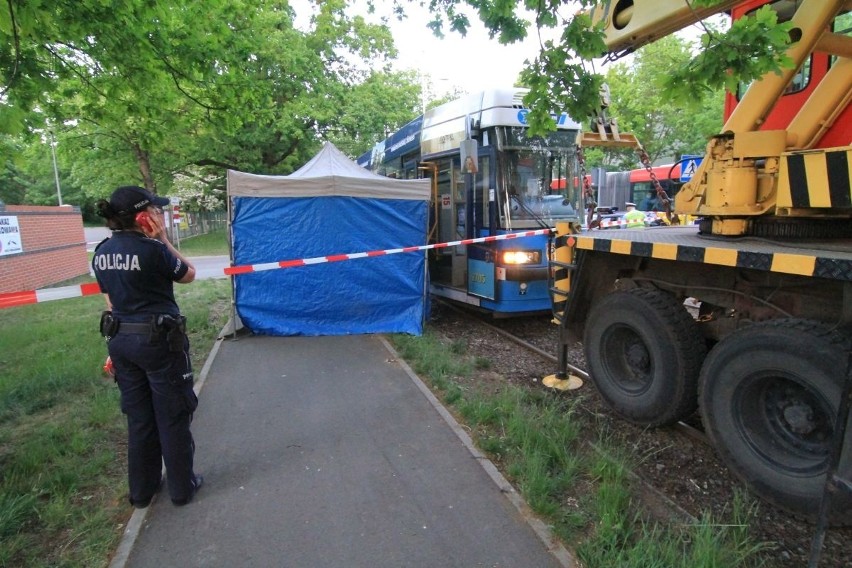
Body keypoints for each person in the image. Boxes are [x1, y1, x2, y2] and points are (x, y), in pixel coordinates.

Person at [92, 185, 202, 508]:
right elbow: (189, 274)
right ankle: (182, 488)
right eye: (154, 210)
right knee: (172, 415)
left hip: (121, 343)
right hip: (158, 344)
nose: (158, 214)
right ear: (143, 217)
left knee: (139, 418)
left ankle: (142, 491)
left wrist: (115, 344)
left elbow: (111, 303)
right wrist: (163, 240)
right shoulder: (153, 250)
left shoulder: (100, 253)